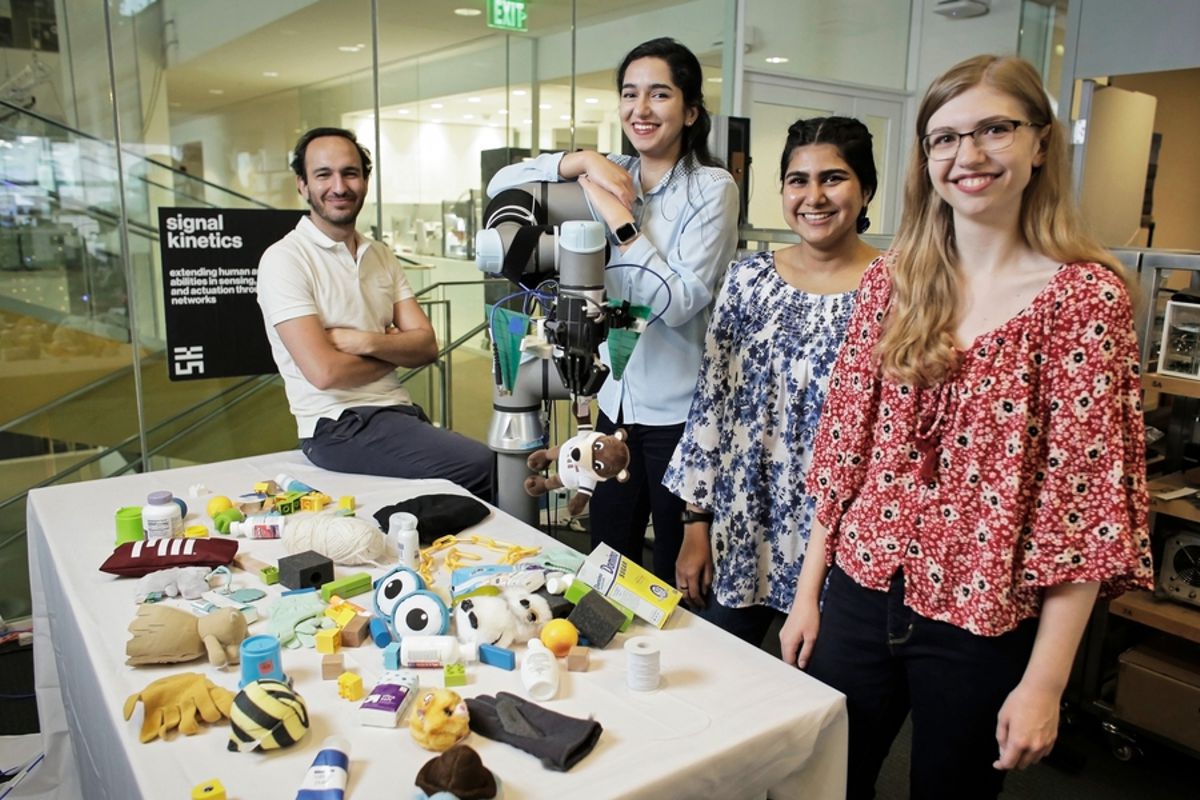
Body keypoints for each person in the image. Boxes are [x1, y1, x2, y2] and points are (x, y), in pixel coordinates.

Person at [779, 55, 1154, 799]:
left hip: (982, 613)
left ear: (1040, 143)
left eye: (995, 130)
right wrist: (807, 592)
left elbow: (1080, 513)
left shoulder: (1085, 300)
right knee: (815, 782)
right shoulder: (894, 279)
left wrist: (1045, 683)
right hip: (860, 584)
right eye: (945, 138)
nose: (969, 155)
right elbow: (843, 447)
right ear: (925, 157)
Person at [487, 37, 739, 581]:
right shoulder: (606, 172)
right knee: (609, 560)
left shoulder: (711, 189)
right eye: (629, 94)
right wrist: (579, 161)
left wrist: (621, 225)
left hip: (679, 416)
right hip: (615, 403)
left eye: (659, 94)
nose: (640, 110)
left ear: (691, 110)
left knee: (679, 573)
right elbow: (499, 186)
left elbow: (677, 302)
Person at [663, 117, 879, 645]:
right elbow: (711, 405)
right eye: (798, 180)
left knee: (824, 697)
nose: (814, 196)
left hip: (841, 536)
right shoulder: (747, 279)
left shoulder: (899, 286)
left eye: (834, 178)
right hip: (746, 520)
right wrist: (696, 524)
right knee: (719, 673)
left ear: (866, 188)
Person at [257, 127, 494, 500]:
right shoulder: (284, 260)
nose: (339, 186)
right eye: (323, 175)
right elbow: (325, 372)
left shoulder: (380, 254)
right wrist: (394, 348)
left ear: (365, 180)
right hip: (337, 426)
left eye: (350, 173)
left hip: (396, 413)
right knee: (484, 465)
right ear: (302, 185)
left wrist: (362, 342)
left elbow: (428, 346)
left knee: (488, 463)